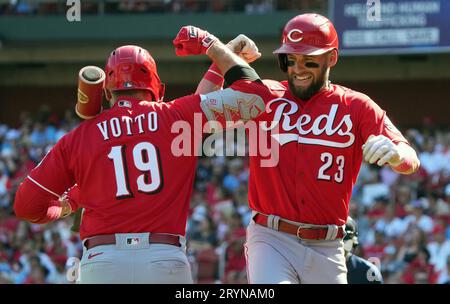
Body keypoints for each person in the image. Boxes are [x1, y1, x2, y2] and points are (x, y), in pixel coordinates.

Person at [13, 29, 270, 283]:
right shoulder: (176, 117)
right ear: (157, 86)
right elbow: (256, 96)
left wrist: (67, 205)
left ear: (106, 91)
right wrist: (216, 49)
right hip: (164, 258)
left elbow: (26, 207)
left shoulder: (77, 137)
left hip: (103, 261)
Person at [193, 13, 420, 283]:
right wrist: (221, 60)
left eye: (309, 60)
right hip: (271, 238)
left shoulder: (357, 106)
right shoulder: (265, 95)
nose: (298, 68)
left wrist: (396, 155)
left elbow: (410, 160)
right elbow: (197, 117)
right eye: (290, 59)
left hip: (328, 244)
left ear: (331, 58)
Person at [344, 216, 383, 284]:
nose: (340, 244)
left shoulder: (368, 272)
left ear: (354, 242)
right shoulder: (321, 267)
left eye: (344, 239)